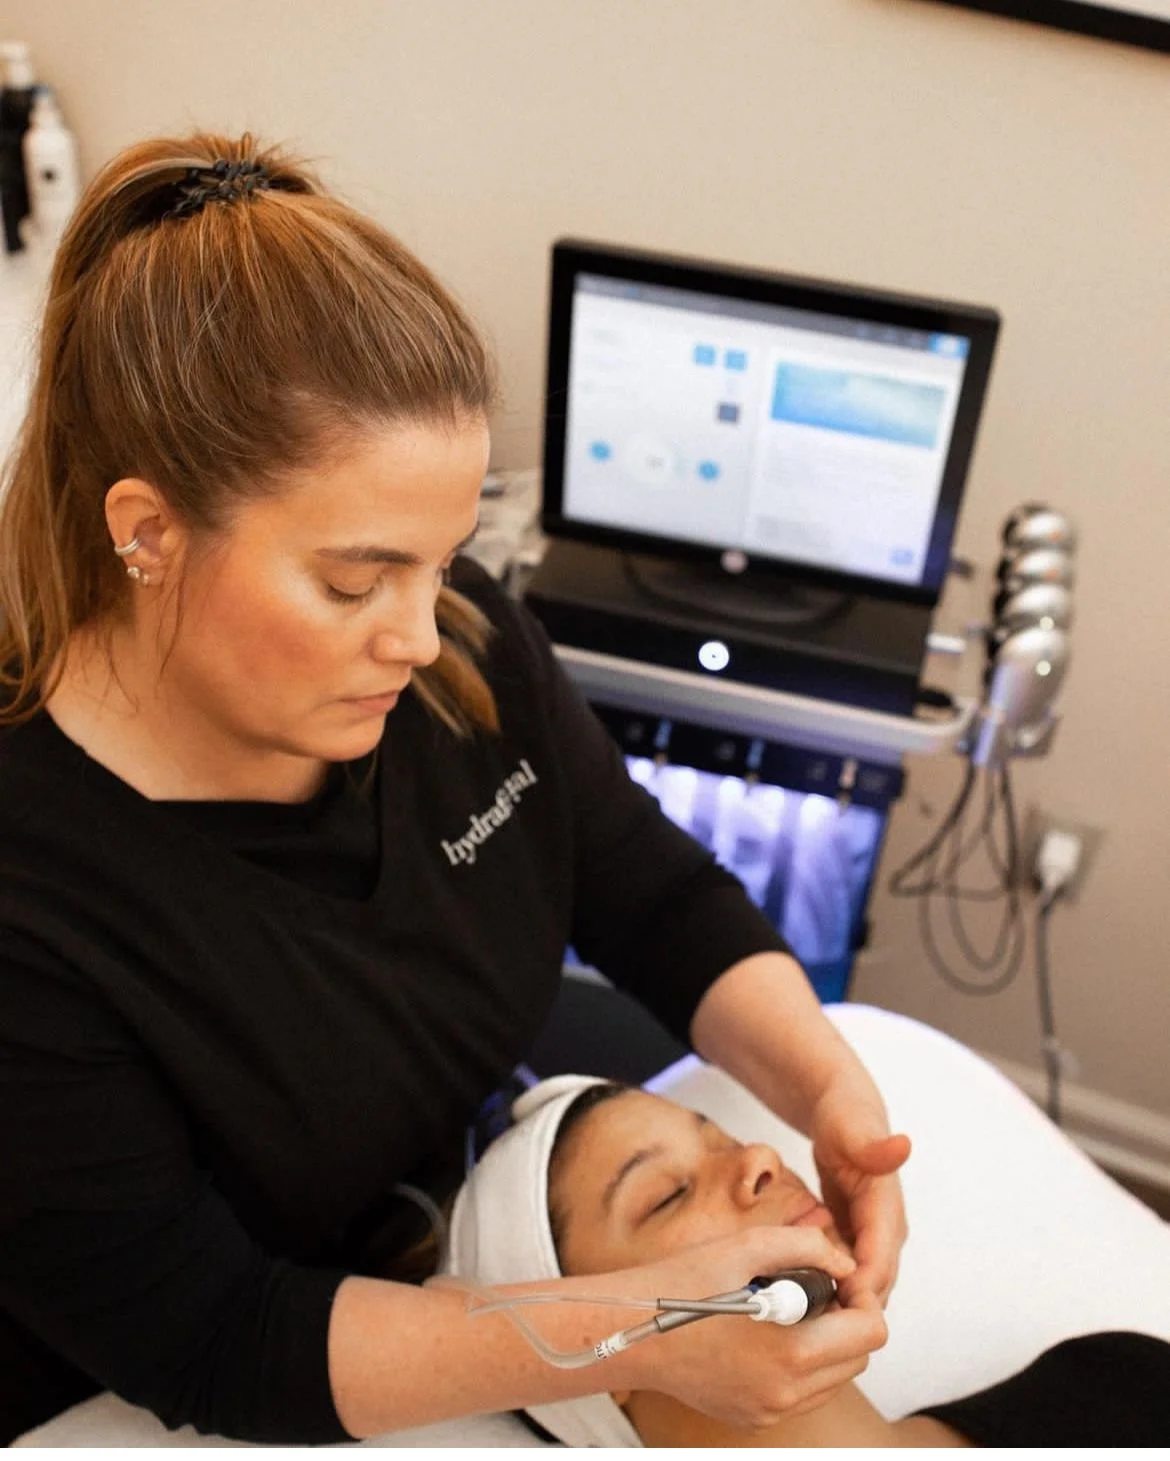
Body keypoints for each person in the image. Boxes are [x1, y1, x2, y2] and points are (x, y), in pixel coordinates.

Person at [0, 130, 909, 1447]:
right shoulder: (33, 904)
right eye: (356, 581)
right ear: (146, 533)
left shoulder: (456, 648)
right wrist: (644, 1326)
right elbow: (212, 1337)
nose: (422, 634)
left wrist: (836, 1098)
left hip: (446, 1219)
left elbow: (648, 892)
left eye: (447, 556)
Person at [443, 1075, 1170, 1447]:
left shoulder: (1114, 1383)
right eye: (666, 1195)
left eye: (723, 1136)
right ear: (601, 1360)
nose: (759, 1157)